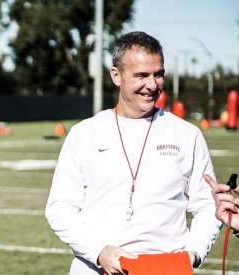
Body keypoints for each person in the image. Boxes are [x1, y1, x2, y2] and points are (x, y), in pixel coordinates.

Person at [45, 31, 221, 275]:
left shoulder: (187, 134)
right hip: (95, 269)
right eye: (141, 75)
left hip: (166, 269)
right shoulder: (84, 134)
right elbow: (60, 208)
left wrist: (194, 254)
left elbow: (207, 206)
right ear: (116, 76)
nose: (152, 85)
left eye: (158, 75)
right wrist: (99, 252)